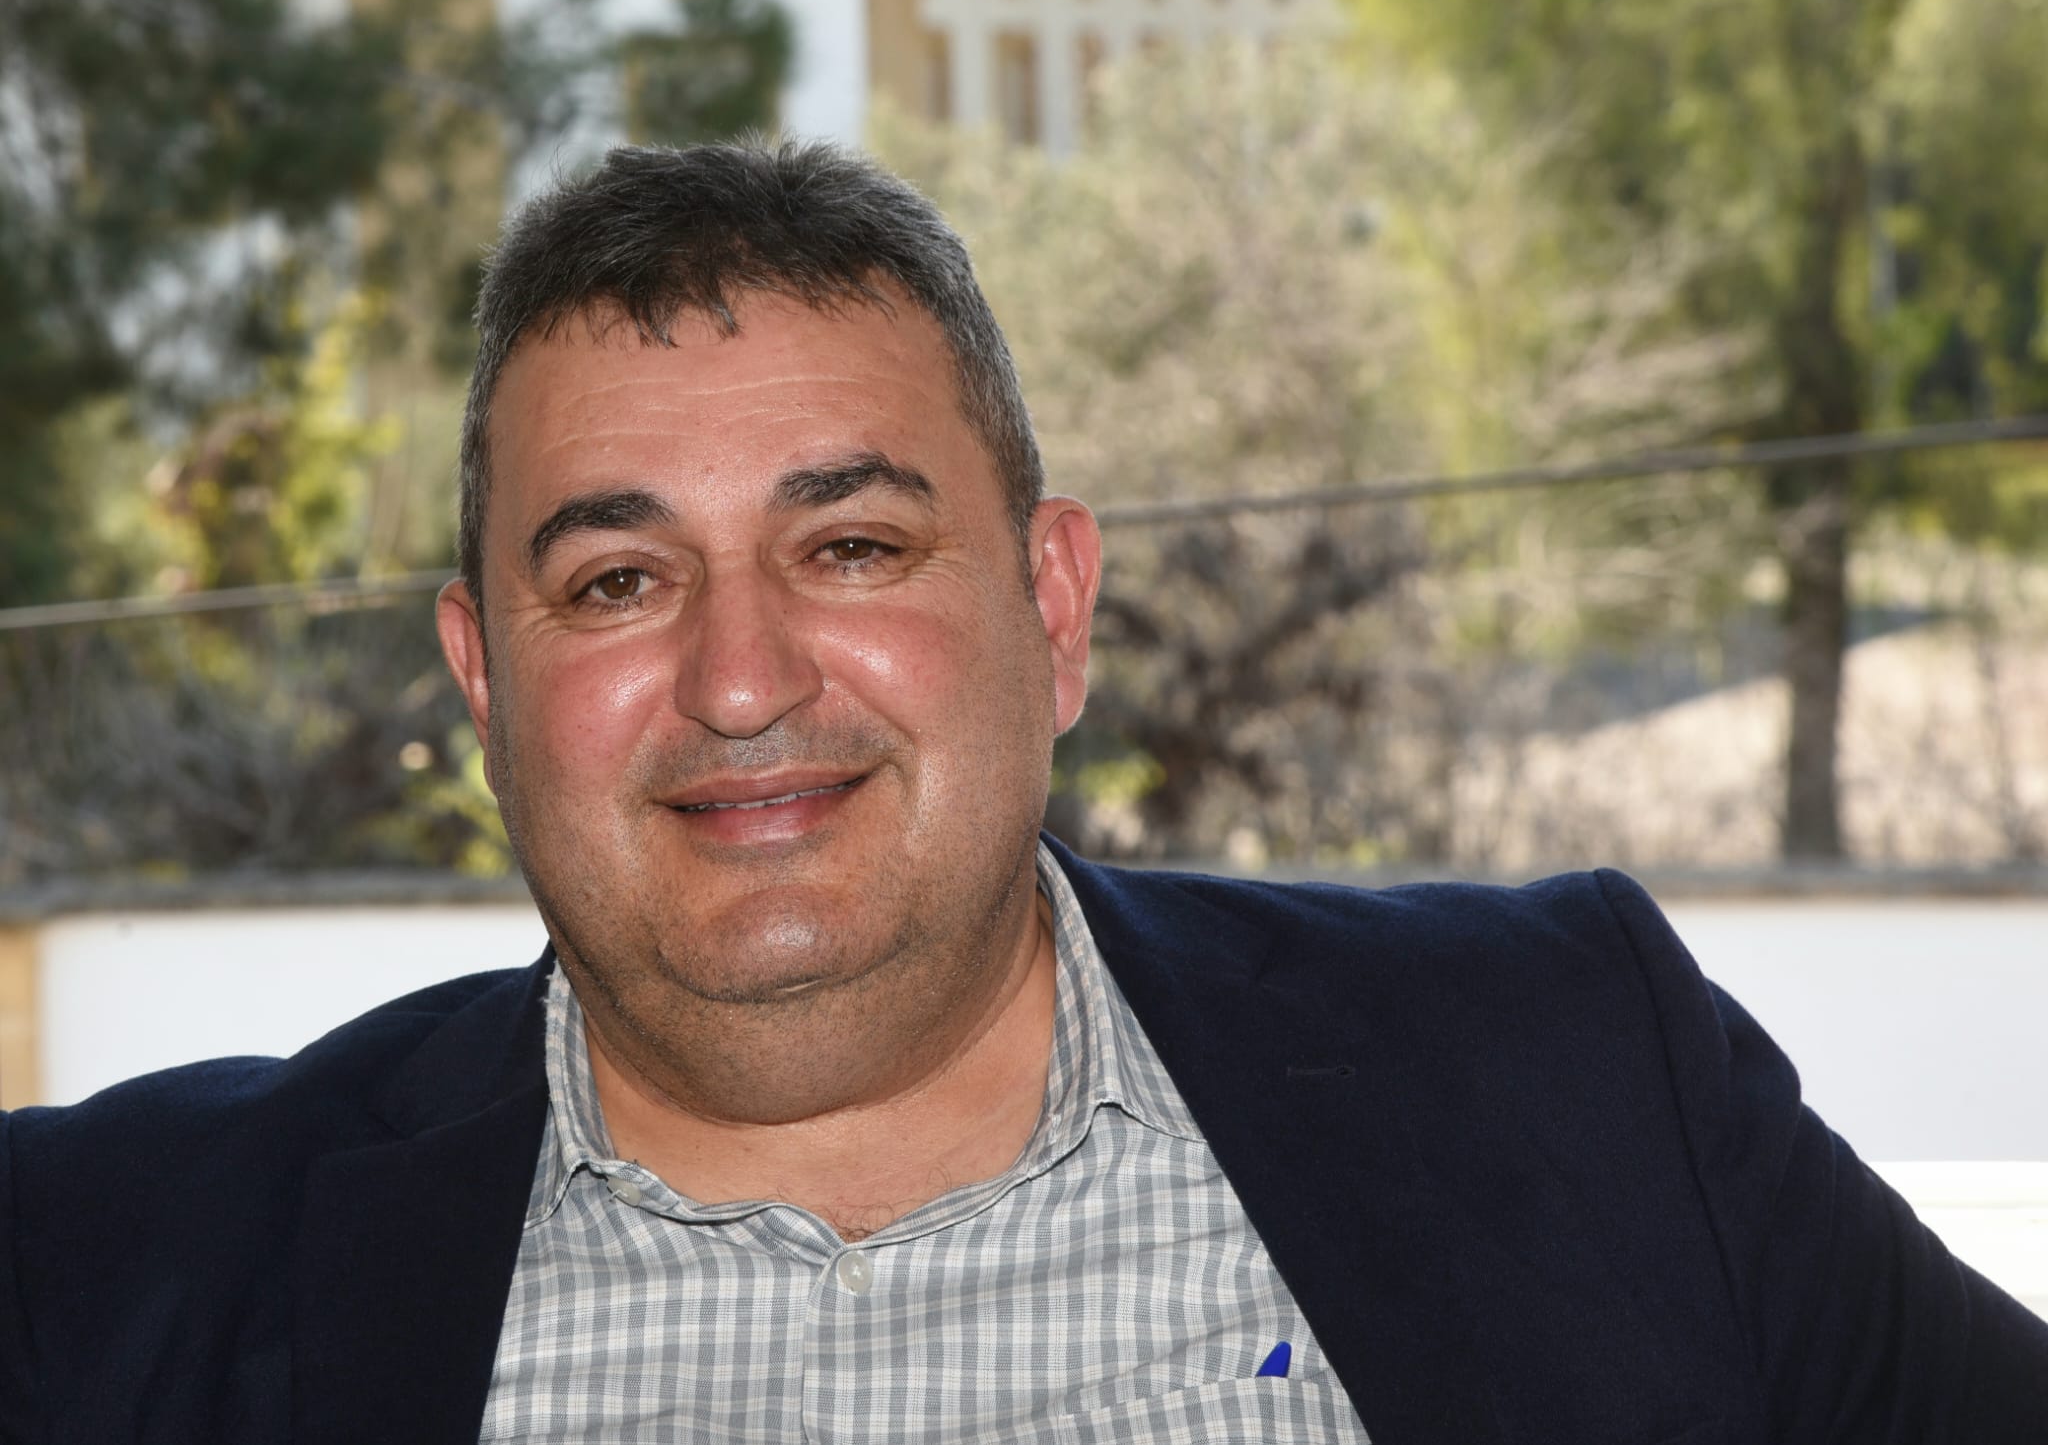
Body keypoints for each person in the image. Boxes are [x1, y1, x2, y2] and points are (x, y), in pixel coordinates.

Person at [3, 140, 2043, 1445]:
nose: (740, 678)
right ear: (482, 681)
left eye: (853, 545)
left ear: (1053, 610)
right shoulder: (90, 1273)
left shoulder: (1581, 1078)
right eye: (617, 580)